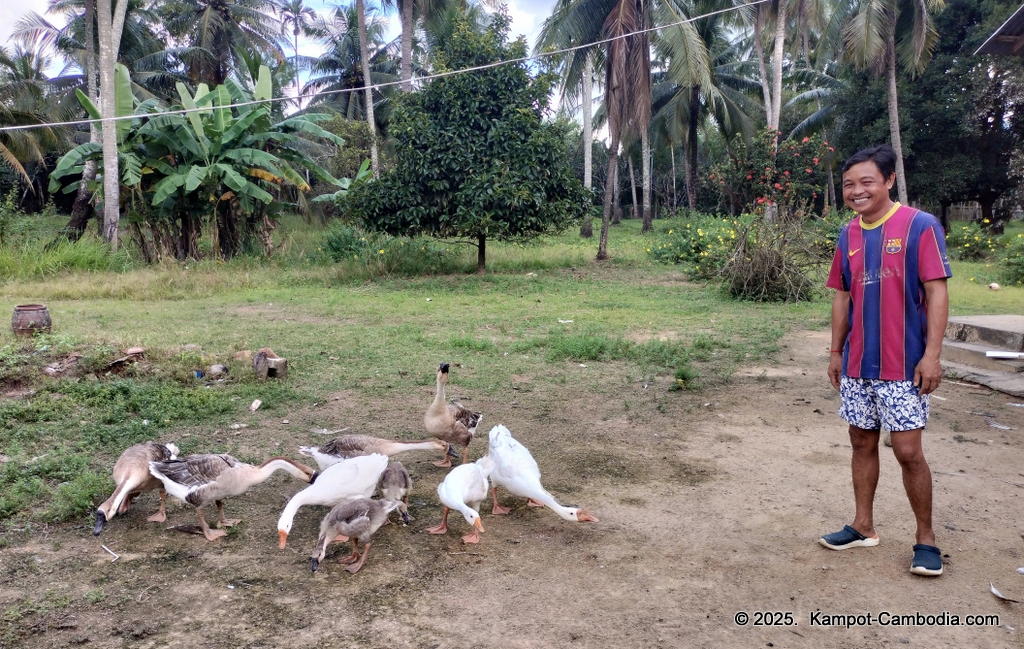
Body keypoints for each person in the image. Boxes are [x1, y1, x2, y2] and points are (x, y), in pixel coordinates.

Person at [819, 144, 952, 577]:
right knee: (861, 442)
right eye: (849, 184)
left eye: (867, 182)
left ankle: (926, 540)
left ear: (889, 180)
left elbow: (936, 291)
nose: (856, 191)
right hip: (859, 364)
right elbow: (842, 296)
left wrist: (932, 356)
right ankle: (863, 526)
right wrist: (836, 352)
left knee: (908, 452)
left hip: (905, 365)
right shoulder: (848, 235)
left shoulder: (920, 225)